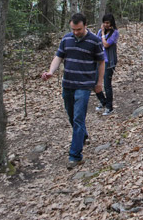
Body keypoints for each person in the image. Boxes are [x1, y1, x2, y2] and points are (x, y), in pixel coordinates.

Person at [41, 13, 105, 169]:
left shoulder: (94, 41)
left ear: (85, 25)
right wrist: (51, 71)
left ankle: (75, 156)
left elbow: (101, 62)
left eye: (79, 29)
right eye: (73, 29)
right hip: (67, 84)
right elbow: (58, 57)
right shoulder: (66, 39)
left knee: (78, 118)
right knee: (71, 115)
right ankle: (82, 135)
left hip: (84, 86)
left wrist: (99, 82)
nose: (76, 32)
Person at [95, 14, 119, 116]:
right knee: (95, 82)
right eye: (104, 23)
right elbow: (96, 41)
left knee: (107, 84)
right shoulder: (101, 32)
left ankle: (109, 106)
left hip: (109, 61)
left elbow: (106, 44)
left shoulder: (115, 33)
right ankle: (103, 100)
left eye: (108, 23)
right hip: (99, 60)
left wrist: (103, 35)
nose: (106, 25)